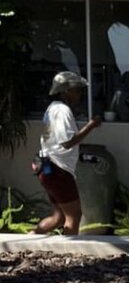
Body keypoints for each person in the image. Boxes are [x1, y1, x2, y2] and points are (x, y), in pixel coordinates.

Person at [34, 71, 102, 235]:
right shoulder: (63, 110)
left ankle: (30, 239)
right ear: (66, 91)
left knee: (58, 217)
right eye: (77, 90)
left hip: (48, 168)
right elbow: (67, 142)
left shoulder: (52, 108)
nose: (80, 94)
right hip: (58, 170)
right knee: (74, 216)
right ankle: (69, 248)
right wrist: (91, 125)